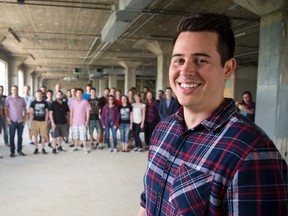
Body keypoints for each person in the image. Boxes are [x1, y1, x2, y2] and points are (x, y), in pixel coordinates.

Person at [138, 12, 288, 216]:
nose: (186, 71)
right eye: (179, 60)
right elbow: (147, 202)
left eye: (200, 60)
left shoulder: (251, 152)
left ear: (228, 68)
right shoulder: (163, 130)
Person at [4, 85, 26, 157]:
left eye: (15, 89)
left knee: (20, 137)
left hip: (20, 121)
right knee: (12, 136)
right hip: (12, 121)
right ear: (11, 91)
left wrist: (25, 118)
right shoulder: (8, 99)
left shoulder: (22, 99)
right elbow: (6, 109)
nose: (14, 91)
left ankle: (19, 150)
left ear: (17, 90)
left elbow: (24, 109)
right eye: (13, 90)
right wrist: (7, 118)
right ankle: (12, 152)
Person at [70, 88, 91, 154]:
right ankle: (76, 146)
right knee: (75, 135)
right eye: (77, 93)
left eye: (80, 93)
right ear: (75, 94)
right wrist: (71, 120)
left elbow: (88, 112)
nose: (78, 94)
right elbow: (71, 111)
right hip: (74, 121)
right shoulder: (73, 102)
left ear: (82, 94)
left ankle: (85, 148)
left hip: (82, 122)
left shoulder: (85, 102)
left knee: (83, 135)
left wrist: (87, 120)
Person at [30, 90, 49, 154]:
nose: (39, 95)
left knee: (43, 136)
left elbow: (47, 112)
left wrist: (46, 121)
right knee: (35, 136)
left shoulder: (45, 102)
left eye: (40, 94)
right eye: (37, 94)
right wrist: (31, 121)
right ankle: (36, 148)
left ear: (42, 95)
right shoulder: (33, 102)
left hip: (43, 121)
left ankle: (43, 148)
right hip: (35, 121)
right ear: (36, 95)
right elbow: (31, 112)